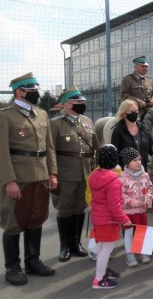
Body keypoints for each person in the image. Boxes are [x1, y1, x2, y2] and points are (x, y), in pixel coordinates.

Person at [0, 72, 58, 285]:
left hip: (41, 175)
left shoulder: (42, 114)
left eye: (36, 88)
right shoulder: (5, 116)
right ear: (19, 91)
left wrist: (52, 173)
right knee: (14, 222)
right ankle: (12, 266)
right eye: (31, 89)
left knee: (36, 218)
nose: (36, 92)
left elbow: (49, 147)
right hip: (18, 177)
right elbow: (2, 152)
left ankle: (33, 261)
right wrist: (9, 180)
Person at [50, 87, 98, 262]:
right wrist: (52, 173)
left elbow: (95, 146)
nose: (82, 104)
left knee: (79, 207)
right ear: (67, 103)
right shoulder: (56, 123)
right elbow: (51, 151)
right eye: (78, 102)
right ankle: (65, 246)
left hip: (85, 171)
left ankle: (76, 244)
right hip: (65, 172)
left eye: (82, 101)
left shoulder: (87, 121)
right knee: (65, 209)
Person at [89, 145, 132, 289]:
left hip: (98, 219)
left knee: (102, 247)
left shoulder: (95, 176)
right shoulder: (113, 181)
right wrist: (125, 220)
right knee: (106, 248)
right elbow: (115, 206)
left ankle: (102, 270)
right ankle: (99, 279)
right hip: (108, 220)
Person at [119, 147, 153, 267]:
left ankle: (142, 251)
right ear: (127, 163)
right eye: (134, 160)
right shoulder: (123, 178)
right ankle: (130, 254)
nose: (138, 162)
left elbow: (150, 188)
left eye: (139, 159)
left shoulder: (145, 175)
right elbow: (122, 197)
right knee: (129, 233)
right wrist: (136, 203)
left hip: (142, 210)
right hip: (129, 212)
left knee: (142, 230)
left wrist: (148, 198)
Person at [110, 99, 153, 169]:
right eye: (131, 111)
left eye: (136, 111)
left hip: (144, 171)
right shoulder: (118, 130)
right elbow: (114, 153)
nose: (134, 113)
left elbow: (152, 150)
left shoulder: (144, 128)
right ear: (124, 114)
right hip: (126, 173)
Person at [120, 56, 153, 120]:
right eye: (142, 66)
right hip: (134, 111)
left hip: (150, 110)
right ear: (135, 67)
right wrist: (139, 102)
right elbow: (124, 96)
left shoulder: (149, 80)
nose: (145, 68)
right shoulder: (127, 79)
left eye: (146, 66)